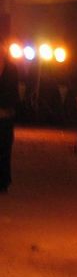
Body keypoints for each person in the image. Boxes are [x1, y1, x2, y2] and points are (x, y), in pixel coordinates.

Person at [0, 42, 19, 192]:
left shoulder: (11, 69)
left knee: (5, 149)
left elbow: (13, 93)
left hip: (6, 116)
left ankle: (3, 181)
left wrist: (6, 108)